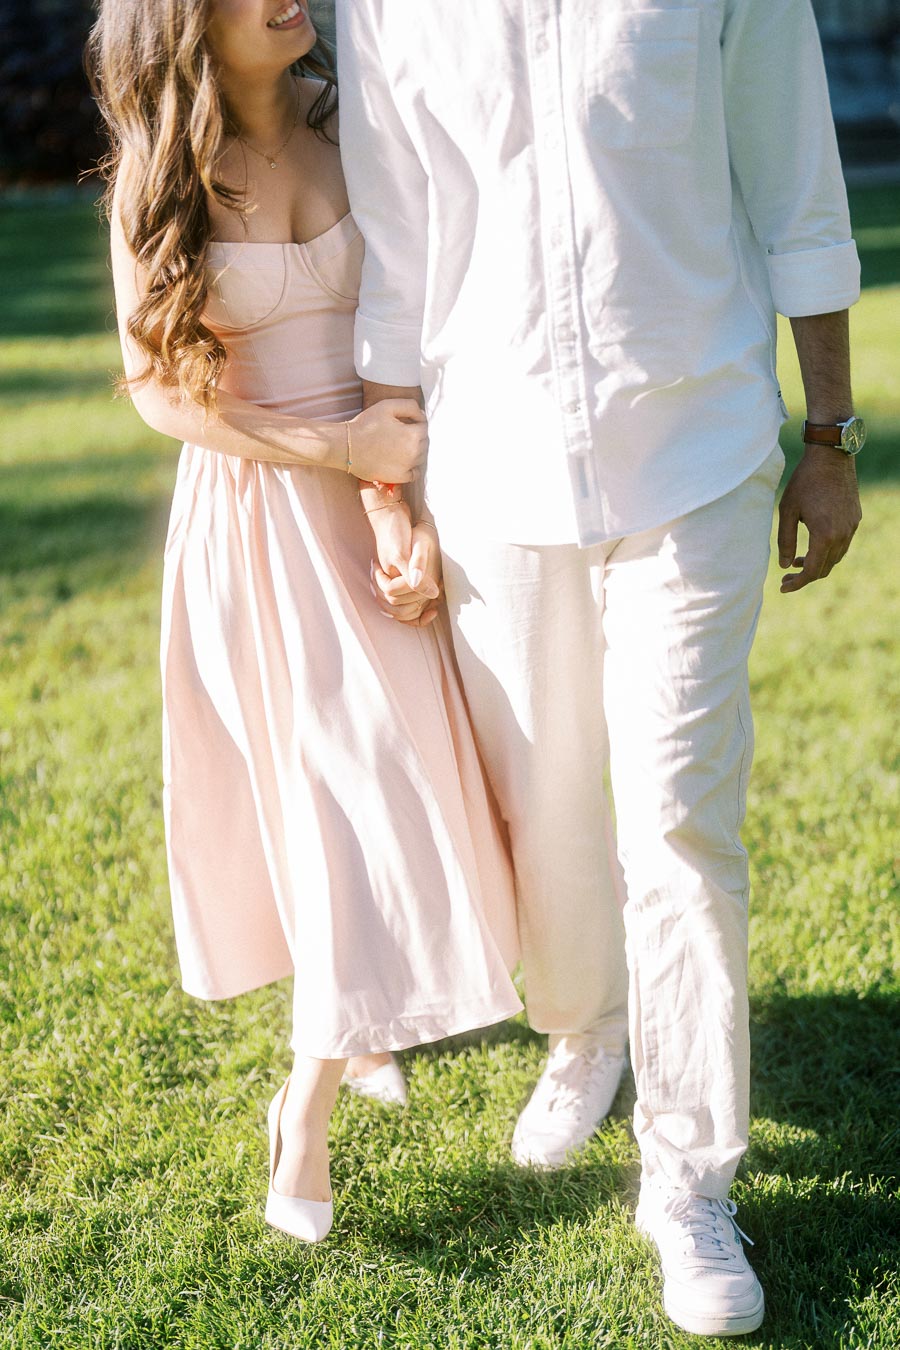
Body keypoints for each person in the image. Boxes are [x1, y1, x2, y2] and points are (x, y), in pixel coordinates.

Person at [335, 0, 864, 1335]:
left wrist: (832, 433)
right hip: (495, 464)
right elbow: (398, 240)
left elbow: (797, 180)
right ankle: (585, 1028)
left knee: (680, 819)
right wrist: (392, 490)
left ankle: (689, 1181)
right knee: (551, 808)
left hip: (696, 444)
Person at [87, 0, 523, 1245]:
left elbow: (417, 331)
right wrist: (336, 448)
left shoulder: (359, 127)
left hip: (390, 492)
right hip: (263, 517)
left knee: (411, 778)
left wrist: (401, 499)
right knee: (337, 789)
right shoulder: (157, 178)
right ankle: (308, 1107)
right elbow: (163, 397)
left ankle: (364, 1017)